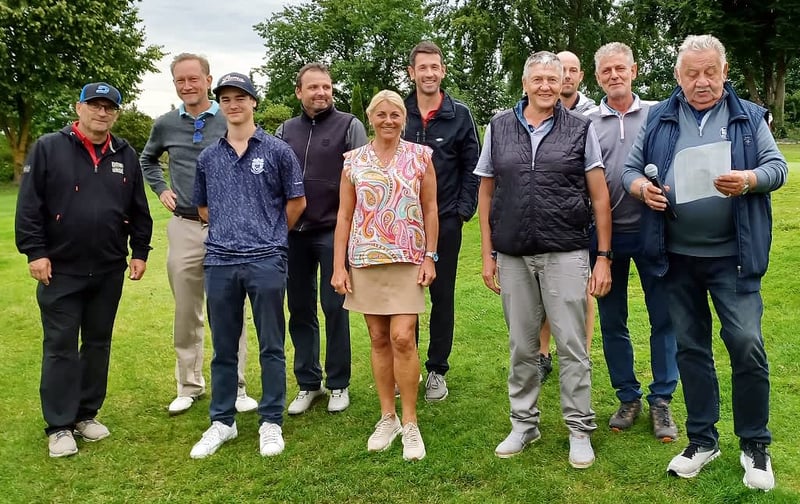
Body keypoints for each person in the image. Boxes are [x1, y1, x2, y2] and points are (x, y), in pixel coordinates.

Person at [622, 34, 787, 491]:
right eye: (692, 73)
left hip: (734, 258)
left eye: (710, 72)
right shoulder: (659, 117)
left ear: (724, 72)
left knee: (747, 345)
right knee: (691, 349)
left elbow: (777, 168)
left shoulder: (748, 116)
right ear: (678, 76)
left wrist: (749, 179)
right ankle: (702, 441)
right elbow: (629, 171)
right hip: (676, 258)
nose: (701, 81)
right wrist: (642, 190)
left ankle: (754, 444)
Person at [476, 51, 612, 468]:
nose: (546, 86)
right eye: (538, 79)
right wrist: (487, 253)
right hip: (513, 254)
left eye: (553, 79)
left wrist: (603, 256)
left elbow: (599, 196)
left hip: (566, 251)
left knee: (572, 345)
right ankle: (524, 424)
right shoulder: (499, 127)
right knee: (522, 346)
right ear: (525, 83)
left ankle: (579, 429)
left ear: (563, 81)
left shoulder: (580, 129)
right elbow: (486, 193)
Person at [15, 82, 153, 457]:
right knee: (60, 346)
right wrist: (35, 252)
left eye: (109, 107)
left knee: (97, 344)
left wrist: (140, 251)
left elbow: (138, 208)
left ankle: (86, 414)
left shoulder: (125, 153)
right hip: (60, 270)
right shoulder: (49, 147)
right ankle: (59, 425)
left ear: (116, 114)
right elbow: (29, 206)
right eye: (94, 105)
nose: (101, 112)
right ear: (79, 108)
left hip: (108, 268)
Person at [189, 73, 306, 459]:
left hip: (266, 259)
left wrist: (270, 235)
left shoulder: (277, 150)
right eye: (225, 99)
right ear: (219, 105)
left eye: (240, 97)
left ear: (254, 102)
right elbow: (203, 208)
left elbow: (297, 202)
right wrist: (231, 230)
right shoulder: (209, 157)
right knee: (224, 347)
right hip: (220, 261)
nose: (233, 104)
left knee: (271, 344)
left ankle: (271, 420)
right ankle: (222, 421)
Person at [140, 53, 257, 416]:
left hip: (228, 227)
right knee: (186, 311)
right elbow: (147, 159)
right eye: (181, 80)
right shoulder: (165, 124)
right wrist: (161, 188)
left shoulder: (230, 116)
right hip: (185, 225)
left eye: (194, 79)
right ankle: (188, 385)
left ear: (208, 80)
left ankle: (236, 385)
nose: (187, 86)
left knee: (229, 308)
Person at [331, 90, 439, 462]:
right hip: (365, 259)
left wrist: (430, 257)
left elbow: (430, 207)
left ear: (403, 119)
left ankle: (410, 422)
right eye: (381, 114)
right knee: (378, 339)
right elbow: (345, 215)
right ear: (371, 118)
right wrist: (339, 265)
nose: (388, 120)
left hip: (408, 259)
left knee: (403, 337)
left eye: (395, 114)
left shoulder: (420, 157)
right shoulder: (353, 161)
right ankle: (387, 417)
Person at [587, 42, 678, 441]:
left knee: (664, 317)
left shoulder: (658, 113)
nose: (614, 76)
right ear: (598, 78)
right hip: (605, 235)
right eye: (606, 71)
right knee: (612, 321)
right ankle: (627, 397)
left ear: (634, 71)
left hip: (654, 231)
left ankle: (662, 400)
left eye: (620, 69)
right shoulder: (588, 122)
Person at [276, 63, 368, 415]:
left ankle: (338, 383)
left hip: (333, 231)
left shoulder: (349, 125)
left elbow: (362, 179)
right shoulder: (285, 130)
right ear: (299, 92)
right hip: (294, 233)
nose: (321, 93)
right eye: (313, 87)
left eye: (326, 87)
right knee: (299, 308)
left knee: (334, 307)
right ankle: (308, 383)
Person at [403, 41, 481, 402]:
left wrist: (463, 211)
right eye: (423, 67)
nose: (429, 73)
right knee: (407, 296)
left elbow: (473, 167)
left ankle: (437, 369)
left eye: (435, 67)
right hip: (404, 224)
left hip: (447, 219)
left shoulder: (459, 115)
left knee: (441, 295)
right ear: (412, 72)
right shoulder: (400, 111)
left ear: (443, 71)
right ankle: (409, 365)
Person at [537, 50, 598, 382]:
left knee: (582, 290)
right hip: (545, 216)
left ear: (579, 76)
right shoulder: (536, 112)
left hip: (581, 216)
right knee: (544, 289)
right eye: (563, 70)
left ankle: (580, 354)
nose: (568, 76)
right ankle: (542, 353)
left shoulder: (593, 115)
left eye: (573, 70)